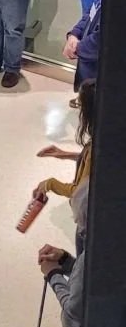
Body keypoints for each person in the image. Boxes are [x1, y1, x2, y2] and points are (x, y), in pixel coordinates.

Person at [35, 74, 94, 257]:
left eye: (80, 106)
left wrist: (49, 184)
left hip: (89, 224)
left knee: (82, 265)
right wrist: (66, 155)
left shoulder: (96, 148)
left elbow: (80, 192)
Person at [64, 0, 102, 88]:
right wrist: (74, 34)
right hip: (86, 72)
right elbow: (90, 13)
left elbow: (102, 39)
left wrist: (76, 48)